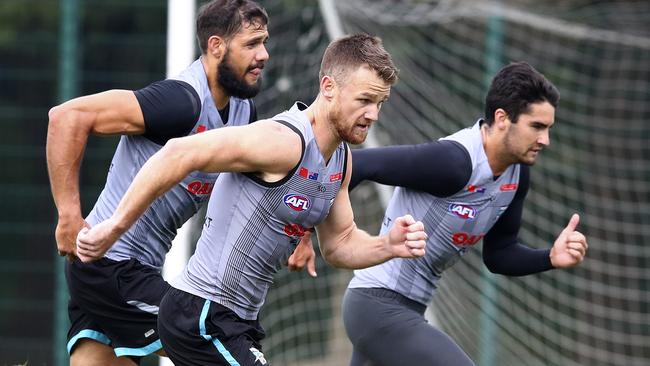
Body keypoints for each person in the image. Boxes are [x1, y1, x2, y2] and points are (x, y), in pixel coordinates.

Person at [76, 33, 428, 366]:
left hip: (237, 323)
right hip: (201, 315)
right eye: (364, 100)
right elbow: (177, 152)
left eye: (380, 102)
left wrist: (388, 245)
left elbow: (339, 244)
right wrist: (115, 227)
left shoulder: (341, 160)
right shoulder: (282, 140)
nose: (374, 114)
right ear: (329, 88)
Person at [45, 1, 305, 364]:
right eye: (251, 44)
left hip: (128, 271)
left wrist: (302, 233)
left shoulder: (245, 113)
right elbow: (66, 117)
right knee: (206, 338)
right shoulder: (180, 101)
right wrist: (69, 215)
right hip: (109, 266)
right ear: (216, 46)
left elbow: (267, 184)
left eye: (264, 42)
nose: (263, 54)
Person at [341, 61, 589, 366]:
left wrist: (549, 257)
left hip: (406, 311)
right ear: (502, 118)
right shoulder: (454, 162)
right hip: (376, 306)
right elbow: (356, 164)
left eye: (548, 129)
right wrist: (309, 233)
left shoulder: (516, 176)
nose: (545, 140)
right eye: (536, 127)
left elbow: (499, 255)